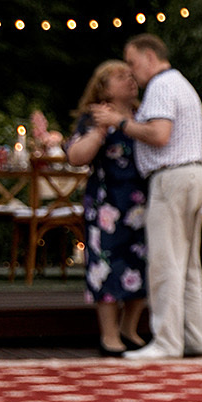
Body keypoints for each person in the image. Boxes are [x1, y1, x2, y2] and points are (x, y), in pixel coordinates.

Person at [100, 34, 202, 361]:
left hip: (171, 176)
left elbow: (160, 134)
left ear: (150, 57)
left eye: (133, 63)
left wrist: (120, 122)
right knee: (189, 266)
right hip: (193, 173)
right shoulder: (181, 84)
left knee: (165, 264)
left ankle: (166, 341)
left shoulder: (161, 86)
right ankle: (193, 338)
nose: (132, 72)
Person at [66, 60, 149, 356]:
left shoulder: (143, 115)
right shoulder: (94, 117)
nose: (130, 80)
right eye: (120, 77)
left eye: (131, 75)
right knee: (106, 264)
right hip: (107, 205)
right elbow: (76, 156)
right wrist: (100, 131)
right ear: (103, 87)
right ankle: (109, 334)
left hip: (141, 202)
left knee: (141, 263)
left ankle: (130, 327)